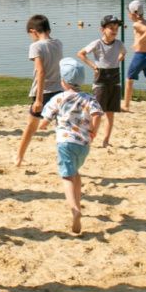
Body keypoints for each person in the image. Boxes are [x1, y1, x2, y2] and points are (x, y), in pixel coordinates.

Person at [39, 57, 103, 233]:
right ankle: (79, 203)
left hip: (65, 142)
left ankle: (74, 209)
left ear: (63, 81)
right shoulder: (89, 98)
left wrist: (43, 125)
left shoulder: (59, 99)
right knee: (76, 172)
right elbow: (97, 114)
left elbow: (46, 118)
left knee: (67, 176)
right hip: (83, 144)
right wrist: (93, 130)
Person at [16, 14, 63, 166]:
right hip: (59, 90)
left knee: (31, 126)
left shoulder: (36, 46)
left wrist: (38, 99)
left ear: (33, 31)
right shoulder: (58, 43)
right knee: (61, 127)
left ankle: (19, 157)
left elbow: (41, 72)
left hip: (43, 92)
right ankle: (63, 159)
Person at [77, 14, 126, 148]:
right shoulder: (97, 43)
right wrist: (93, 65)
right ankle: (89, 139)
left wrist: (117, 60)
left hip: (115, 81)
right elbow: (81, 53)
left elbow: (123, 52)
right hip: (101, 82)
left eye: (116, 28)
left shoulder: (119, 43)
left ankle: (106, 141)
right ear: (102, 29)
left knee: (110, 114)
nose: (114, 30)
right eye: (111, 27)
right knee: (97, 113)